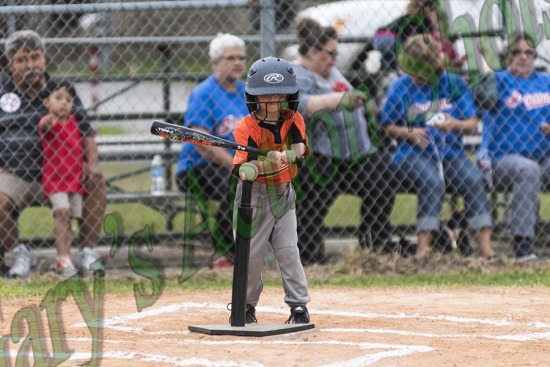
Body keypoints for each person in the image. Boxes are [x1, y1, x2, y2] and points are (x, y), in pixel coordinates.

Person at [0, 30, 106, 279]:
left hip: (63, 174)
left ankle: (85, 252)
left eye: (36, 57)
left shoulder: (61, 89)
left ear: (45, 58)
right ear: (11, 64)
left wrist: (92, 164)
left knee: (97, 182)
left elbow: (85, 130)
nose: (31, 65)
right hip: (16, 175)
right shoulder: (1, 90)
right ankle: (21, 252)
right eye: (22, 60)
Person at [380, 33, 496, 259]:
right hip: (411, 154)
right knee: (432, 181)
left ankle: (486, 249)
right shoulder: (400, 87)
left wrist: (454, 124)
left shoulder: (453, 83)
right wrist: (409, 132)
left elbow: (472, 124)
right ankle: (423, 252)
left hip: (450, 153)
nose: (418, 77)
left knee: (473, 179)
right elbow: (387, 125)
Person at [292, 17, 397, 265]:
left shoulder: (329, 70)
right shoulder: (296, 73)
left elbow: (349, 91)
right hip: (321, 155)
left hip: (355, 155)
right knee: (313, 203)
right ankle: (307, 258)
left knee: (381, 179)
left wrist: (364, 102)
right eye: (330, 53)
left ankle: (374, 249)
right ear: (313, 52)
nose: (335, 58)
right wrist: (337, 100)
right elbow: (299, 106)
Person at [232, 56, 310, 324]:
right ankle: (245, 306)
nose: (274, 103)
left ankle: (299, 306)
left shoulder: (294, 119)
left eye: (279, 96)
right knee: (251, 256)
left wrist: (286, 154)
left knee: (289, 251)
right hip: (252, 198)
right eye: (266, 97)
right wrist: (264, 164)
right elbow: (244, 171)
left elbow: (300, 149)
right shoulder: (245, 128)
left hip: (284, 195)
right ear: (253, 98)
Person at [175, 33, 248, 269]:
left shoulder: (246, 92)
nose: (237, 62)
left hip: (236, 165)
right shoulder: (204, 93)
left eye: (241, 57)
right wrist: (236, 166)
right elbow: (201, 142)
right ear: (215, 63)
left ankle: (249, 251)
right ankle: (224, 253)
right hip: (197, 167)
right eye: (230, 58)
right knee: (237, 184)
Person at [475, 33, 550, 261]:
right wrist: (485, 60)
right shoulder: (499, 80)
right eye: (517, 52)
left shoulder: (546, 82)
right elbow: (483, 99)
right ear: (507, 56)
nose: (523, 57)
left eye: (529, 52)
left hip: (543, 158)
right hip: (501, 161)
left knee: (533, 168)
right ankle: (522, 244)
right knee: (528, 170)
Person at [38, 79, 86, 277]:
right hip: (55, 180)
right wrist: (48, 121)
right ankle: (62, 256)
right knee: (62, 212)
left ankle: (67, 256)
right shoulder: (49, 121)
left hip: (74, 179)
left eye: (68, 99)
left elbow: (79, 147)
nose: (64, 103)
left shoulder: (74, 122)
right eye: (58, 98)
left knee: (71, 218)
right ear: (47, 103)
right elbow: (45, 127)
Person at [372, 0, 465, 73]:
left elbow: (451, 57)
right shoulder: (423, 24)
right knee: (411, 51)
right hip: (391, 39)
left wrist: (457, 61)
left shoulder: (442, 42)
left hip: (379, 38)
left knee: (390, 62)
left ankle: (380, 64)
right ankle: (398, 71)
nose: (438, 32)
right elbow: (414, 42)